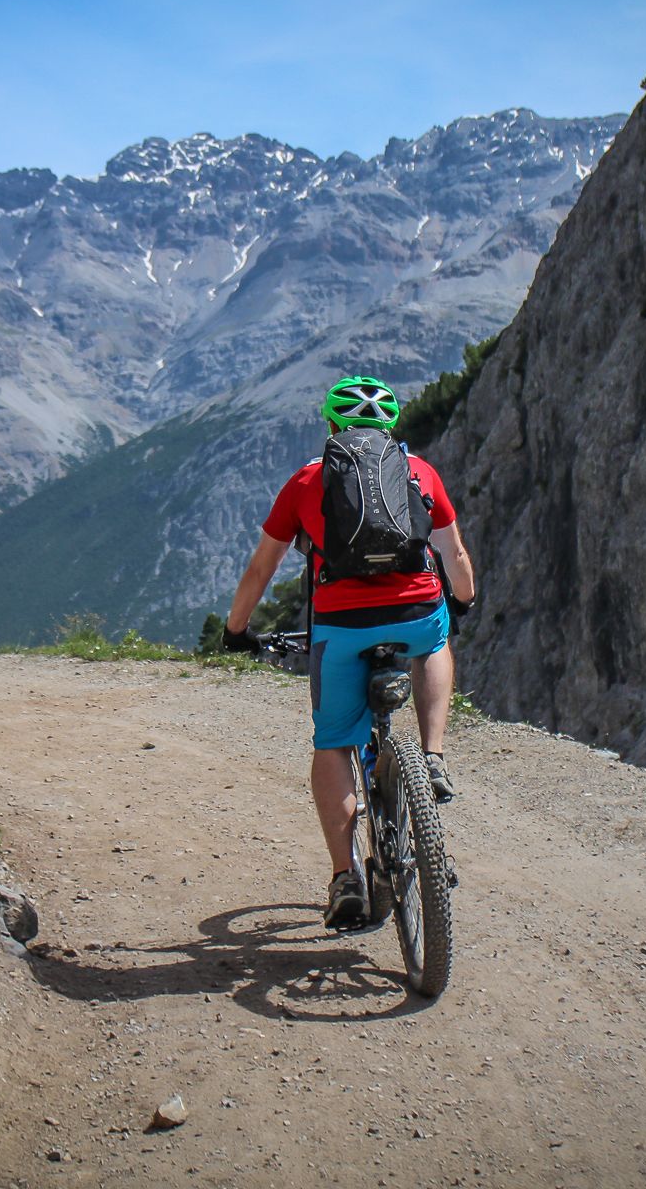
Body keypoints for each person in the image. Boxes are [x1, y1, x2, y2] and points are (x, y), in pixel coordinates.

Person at [222, 376, 477, 929]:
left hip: (341, 626)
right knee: (435, 640)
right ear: (391, 428)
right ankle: (431, 755)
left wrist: (236, 631)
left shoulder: (307, 481)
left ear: (332, 428)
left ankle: (346, 878)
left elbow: (260, 568)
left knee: (335, 744)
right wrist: (463, 600)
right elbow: (453, 553)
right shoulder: (419, 472)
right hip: (414, 613)